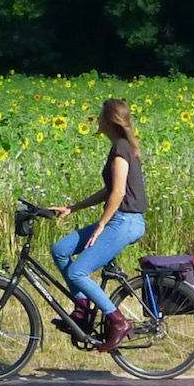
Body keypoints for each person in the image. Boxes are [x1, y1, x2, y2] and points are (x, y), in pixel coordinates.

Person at [48, 98, 147, 350]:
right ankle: (82, 308)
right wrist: (72, 208)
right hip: (118, 219)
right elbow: (109, 190)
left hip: (125, 221)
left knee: (78, 271)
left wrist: (102, 224)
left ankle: (118, 321)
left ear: (111, 120)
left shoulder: (122, 148)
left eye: (101, 116)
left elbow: (119, 193)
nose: (97, 120)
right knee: (60, 250)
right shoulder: (120, 147)